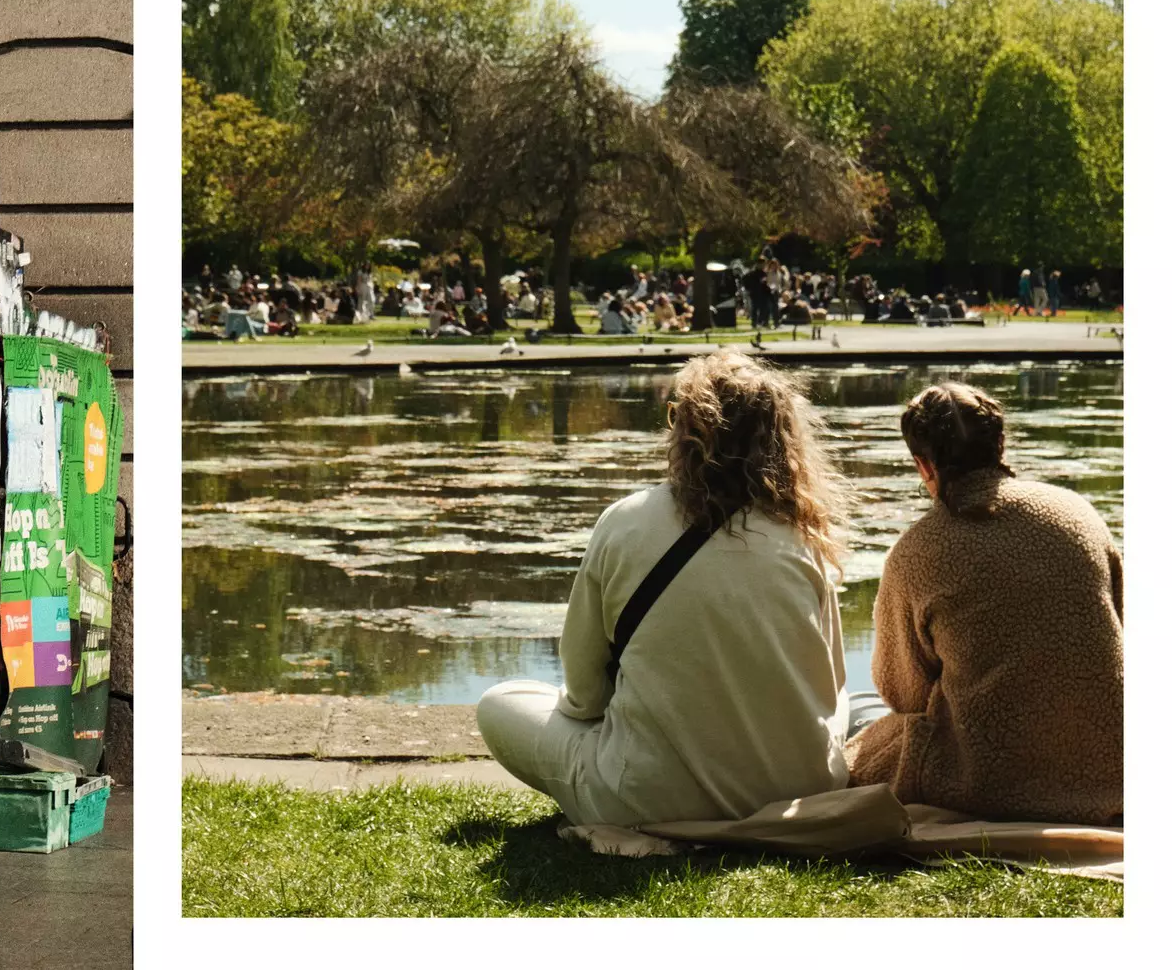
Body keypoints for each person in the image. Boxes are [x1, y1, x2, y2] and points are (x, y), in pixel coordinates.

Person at [475, 349, 853, 825]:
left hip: (648, 797)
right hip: (797, 794)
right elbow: (831, 683)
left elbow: (584, 695)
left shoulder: (625, 521)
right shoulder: (803, 536)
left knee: (501, 703)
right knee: (858, 706)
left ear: (686, 433)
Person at [845, 384, 1122, 822]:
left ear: (923, 465)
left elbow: (904, 693)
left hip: (986, 780)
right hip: (1115, 767)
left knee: (859, 723)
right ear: (1000, 443)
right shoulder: (1078, 513)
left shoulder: (917, 552)